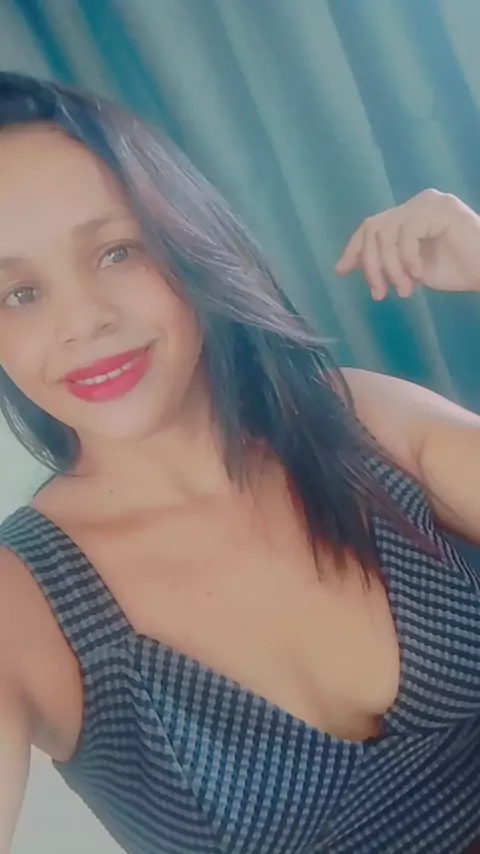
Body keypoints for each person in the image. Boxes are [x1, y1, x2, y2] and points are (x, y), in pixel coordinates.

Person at [0, 72, 479, 854]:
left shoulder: (364, 423)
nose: (84, 321)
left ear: (185, 243)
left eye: (116, 251)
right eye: (18, 294)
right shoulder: (20, 603)